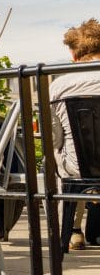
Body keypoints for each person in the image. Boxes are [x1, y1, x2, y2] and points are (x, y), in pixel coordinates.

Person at [49, 18, 100, 250]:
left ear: (73, 54)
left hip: (78, 167)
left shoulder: (59, 85)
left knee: (63, 155)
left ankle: (70, 231)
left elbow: (54, 138)